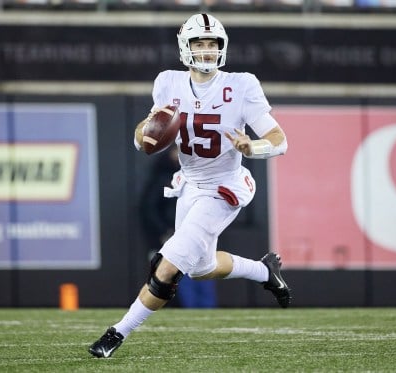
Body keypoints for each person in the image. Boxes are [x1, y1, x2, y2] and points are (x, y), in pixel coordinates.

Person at [89, 13, 291, 358]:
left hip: (225, 186)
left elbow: (279, 140)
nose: (208, 51)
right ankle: (263, 271)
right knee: (200, 267)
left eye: (213, 44)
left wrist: (251, 147)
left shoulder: (241, 85)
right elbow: (145, 136)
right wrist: (146, 133)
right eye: (200, 43)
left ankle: (116, 334)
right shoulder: (168, 82)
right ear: (186, 47)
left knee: (167, 266)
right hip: (191, 185)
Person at [140, 145, 217, 309]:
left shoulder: (200, 178)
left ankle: (208, 310)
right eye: (177, 152)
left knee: (205, 271)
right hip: (174, 236)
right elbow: (149, 209)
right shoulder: (162, 180)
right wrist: (164, 231)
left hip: (199, 235)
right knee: (182, 275)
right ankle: (191, 310)